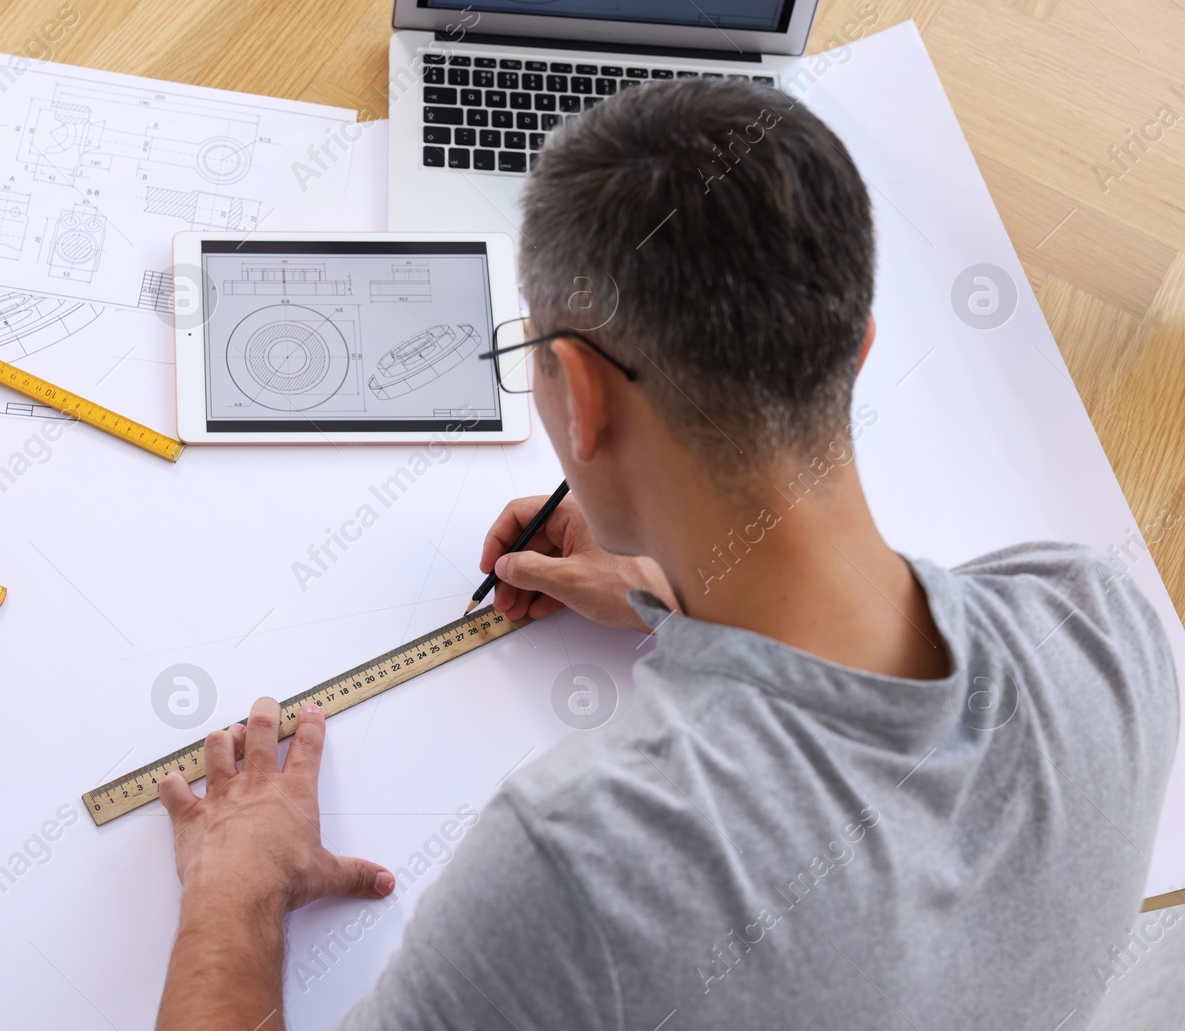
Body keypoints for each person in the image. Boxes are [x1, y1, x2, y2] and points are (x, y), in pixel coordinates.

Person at [152, 79, 1178, 1029]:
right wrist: (674, 589)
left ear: (580, 397)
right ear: (855, 347)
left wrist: (236, 891)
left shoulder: (583, 865)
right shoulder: (1102, 618)